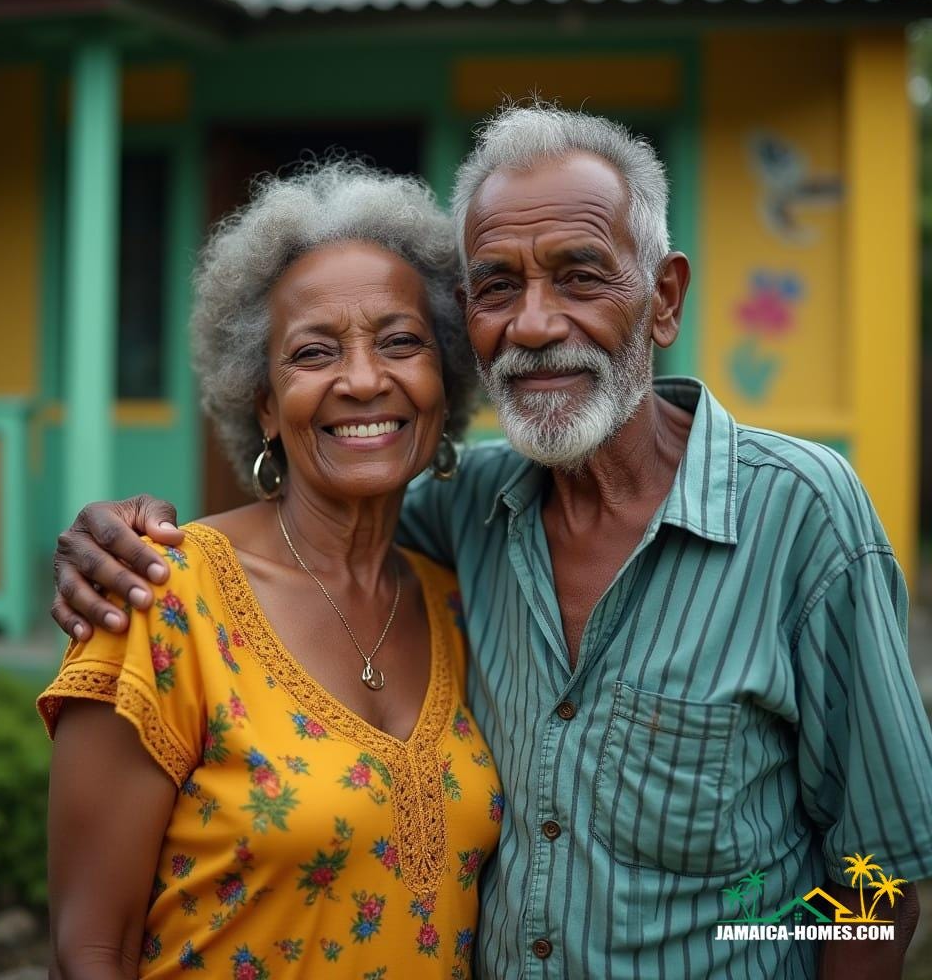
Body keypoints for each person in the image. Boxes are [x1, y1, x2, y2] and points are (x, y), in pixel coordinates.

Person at [51, 106, 932, 979]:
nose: (536, 325)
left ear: (663, 299)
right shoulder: (457, 514)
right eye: (499, 286)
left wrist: (737, 947)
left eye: (581, 275)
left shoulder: (803, 517)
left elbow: (878, 882)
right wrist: (117, 528)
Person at [38, 162, 501, 979]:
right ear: (263, 402)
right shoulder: (159, 597)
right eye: (315, 352)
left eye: (401, 342)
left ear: (445, 381)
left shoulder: (459, 606)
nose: (363, 380)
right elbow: (89, 952)